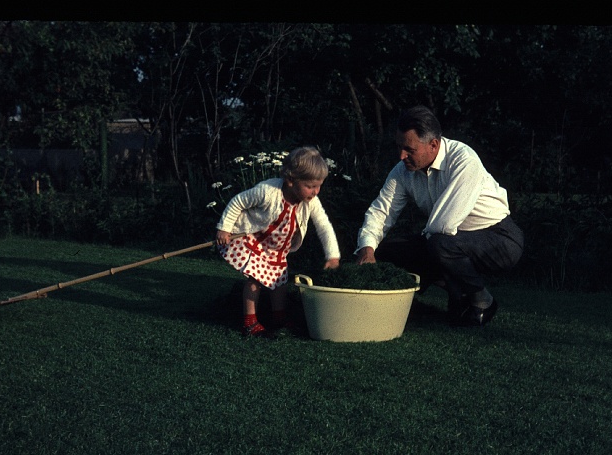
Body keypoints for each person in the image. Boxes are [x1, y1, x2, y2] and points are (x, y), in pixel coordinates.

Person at [355, 105, 523, 327]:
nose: (401, 155)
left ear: (433, 144)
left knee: (439, 244)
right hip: (451, 239)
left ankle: (482, 299)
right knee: (385, 249)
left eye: (409, 149)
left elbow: (444, 224)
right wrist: (367, 248)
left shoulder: (464, 160)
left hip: (499, 240)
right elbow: (381, 211)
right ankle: (444, 295)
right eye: (399, 147)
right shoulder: (402, 170)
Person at [216, 146, 341, 337]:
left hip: (276, 250)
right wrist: (224, 228)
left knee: (280, 282)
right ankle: (249, 322)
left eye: (319, 185)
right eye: (310, 186)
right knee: (255, 280)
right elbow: (238, 201)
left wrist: (332, 256)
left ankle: (279, 317)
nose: (316, 192)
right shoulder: (268, 191)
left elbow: (324, 226)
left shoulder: (311, 201)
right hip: (256, 240)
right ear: (290, 180)